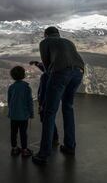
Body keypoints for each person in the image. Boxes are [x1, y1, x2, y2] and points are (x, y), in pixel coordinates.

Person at [32, 26, 84, 165]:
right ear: (58, 34)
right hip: (78, 72)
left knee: (49, 113)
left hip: (61, 73)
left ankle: (43, 154)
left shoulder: (45, 43)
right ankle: (70, 146)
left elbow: (49, 67)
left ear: (45, 35)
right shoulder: (68, 42)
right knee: (68, 108)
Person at [29, 60, 59, 146]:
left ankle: (51, 139)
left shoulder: (46, 76)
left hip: (45, 102)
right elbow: (45, 68)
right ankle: (54, 138)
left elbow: (44, 92)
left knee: (47, 120)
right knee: (49, 119)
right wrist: (36, 64)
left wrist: (41, 104)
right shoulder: (52, 74)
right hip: (50, 100)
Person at [8, 66, 34, 157]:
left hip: (13, 115)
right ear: (23, 75)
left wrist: (10, 112)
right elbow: (29, 102)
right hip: (23, 116)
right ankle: (24, 150)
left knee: (13, 132)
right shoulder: (26, 87)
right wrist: (31, 113)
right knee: (23, 133)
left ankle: (14, 149)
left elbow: (9, 101)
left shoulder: (11, 87)